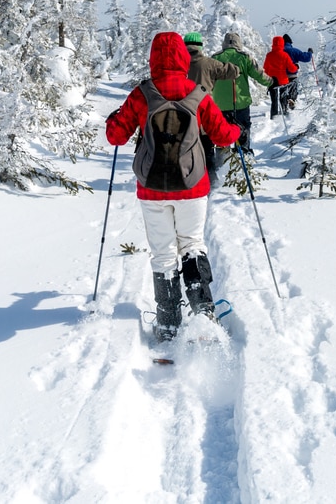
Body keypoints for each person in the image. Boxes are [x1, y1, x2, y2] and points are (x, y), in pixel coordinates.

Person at [106, 32, 240, 341]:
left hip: (152, 189)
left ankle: (167, 324)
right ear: (182, 57)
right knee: (192, 243)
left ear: (153, 58)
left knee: (163, 253)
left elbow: (116, 137)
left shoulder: (142, 94)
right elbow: (223, 136)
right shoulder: (198, 94)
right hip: (192, 186)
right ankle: (204, 312)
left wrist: (113, 119)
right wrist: (235, 128)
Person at [183, 31, 239, 177]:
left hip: (181, 117)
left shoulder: (179, 65)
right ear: (200, 46)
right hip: (204, 115)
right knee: (207, 151)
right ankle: (210, 183)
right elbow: (233, 72)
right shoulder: (209, 64)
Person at [211, 32, 271, 154]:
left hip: (219, 104)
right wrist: (271, 82)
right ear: (239, 43)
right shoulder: (244, 57)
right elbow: (258, 75)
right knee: (242, 130)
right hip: (240, 103)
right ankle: (243, 154)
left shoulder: (215, 58)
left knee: (222, 134)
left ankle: (221, 160)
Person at [263, 36, 298, 119]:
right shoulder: (285, 55)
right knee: (283, 99)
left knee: (274, 101)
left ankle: (273, 117)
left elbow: (265, 68)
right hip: (283, 82)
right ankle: (284, 114)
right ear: (282, 44)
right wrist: (296, 67)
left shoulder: (269, 55)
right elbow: (291, 69)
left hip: (272, 82)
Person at [281, 34, 313, 111]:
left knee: (282, 92)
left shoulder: (278, 51)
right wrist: (310, 52)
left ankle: (283, 108)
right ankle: (292, 100)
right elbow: (306, 58)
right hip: (292, 75)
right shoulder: (293, 51)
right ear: (290, 42)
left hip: (281, 76)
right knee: (293, 89)